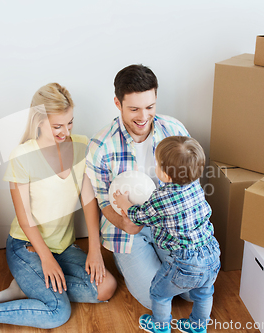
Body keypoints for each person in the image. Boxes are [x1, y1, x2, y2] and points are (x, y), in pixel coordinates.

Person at [0, 83, 117, 332]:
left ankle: (28, 287)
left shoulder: (81, 145)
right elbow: (25, 218)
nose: (65, 131)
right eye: (57, 126)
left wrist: (95, 251)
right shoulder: (22, 156)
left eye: (70, 123)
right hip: (27, 245)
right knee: (58, 312)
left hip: (64, 246)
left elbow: (89, 201)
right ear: (39, 121)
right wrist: (45, 258)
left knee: (106, 287)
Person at [85, 64, 191, 311]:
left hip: (168, 223)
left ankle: (163, 265)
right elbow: (101, 200)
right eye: (133, 109)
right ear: (117, 103)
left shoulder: (174, 131)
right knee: (155, 299)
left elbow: (189, 184)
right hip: (128, 231)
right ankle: (138, 263)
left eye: (150, 107)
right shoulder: (100, 146)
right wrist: (124, 223)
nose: (143, 117)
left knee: (193, 293)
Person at [113, 136, 220, 333]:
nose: (155, 166)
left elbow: (138, 215)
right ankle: (198, 326)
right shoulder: (195, 185)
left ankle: (160, 325)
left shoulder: (162, 199)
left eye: (157, 164)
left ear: (167, 175)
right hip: (211, 254)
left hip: (185, 261)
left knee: (159, 293)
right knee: (204, 294)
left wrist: (123, 202)